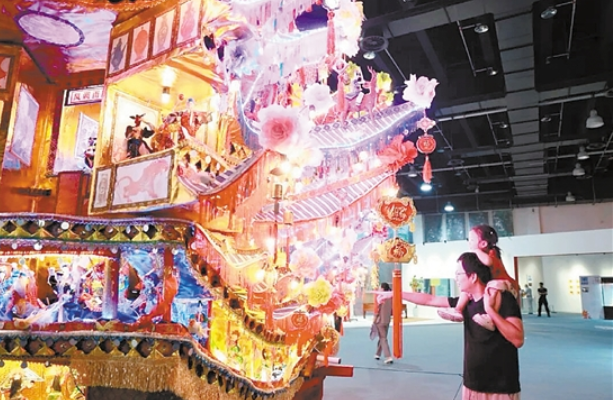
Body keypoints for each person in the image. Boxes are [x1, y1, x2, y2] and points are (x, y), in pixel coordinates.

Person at [378, 253, 524, 399]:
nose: (456, 278)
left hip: (501, 388)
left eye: (459, 274)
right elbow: (430, 299)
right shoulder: (467, 302)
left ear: (473, 277)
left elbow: (518, 339)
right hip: (472, 384)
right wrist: (395, 294)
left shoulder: (502, 299)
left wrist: (490, 311)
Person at [437, 225, 519, 331]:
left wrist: (476, 250)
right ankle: (458, 310)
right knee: (467, 290)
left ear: (483, 244)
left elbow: (488, 261)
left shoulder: (491, 252)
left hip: (507, 285)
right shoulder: (480, 256)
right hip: (495, 284)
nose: (469, 242)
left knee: (493, 289)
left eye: (472, 240)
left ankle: (490, 318)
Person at [373, 282, 393, 364]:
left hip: (380, 320)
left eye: (380, 287)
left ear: (382, 289)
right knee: (383, 337)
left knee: (383, 338)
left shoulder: (380, 297)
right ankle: (377, 354)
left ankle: (388, 356)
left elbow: (377, 310)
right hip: (387, 320)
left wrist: (374, 319)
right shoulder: (391, 297)